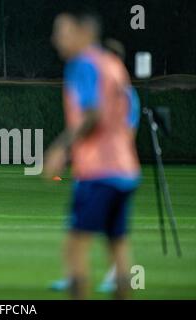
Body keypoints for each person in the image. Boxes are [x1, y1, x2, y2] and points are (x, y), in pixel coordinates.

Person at [45, 9, 141, 299]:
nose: (56, 39)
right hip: (126, 170)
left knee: (74, 247)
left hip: (99, 170)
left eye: (62, 32)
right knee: (118, 246)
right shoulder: (113, 64)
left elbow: (92, 114)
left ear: (84, 32)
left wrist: (61, 147)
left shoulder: (82, 65)